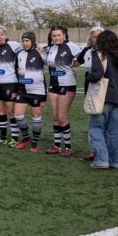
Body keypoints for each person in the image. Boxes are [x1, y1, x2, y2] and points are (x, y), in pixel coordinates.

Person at [87, 30, 118, 170]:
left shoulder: (99, 54)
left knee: (96, 128)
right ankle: (116, 161)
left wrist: (88, 76)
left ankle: (102, 160)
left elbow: (97, 75)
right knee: (114, 132)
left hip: (103, 97)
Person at [43, 26, 82, 156]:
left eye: (59, 35)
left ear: (64, 35)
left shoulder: (71, 46)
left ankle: (69, 148)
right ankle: (57, 146)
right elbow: (46, 61)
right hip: (53, 85)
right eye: (54, 36)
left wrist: (72, 66)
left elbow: (82, 58)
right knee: (55, 117)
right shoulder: (50, 48)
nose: (56, 38)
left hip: (68, 84)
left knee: (62, 117)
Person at [74, 26, 104, 162]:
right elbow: (76, 62)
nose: (95, 38)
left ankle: (103, 152)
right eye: (93, 36)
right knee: (93, 120)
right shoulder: (87, 51)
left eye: (99, 36)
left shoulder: (108, 51)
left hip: (104, 88)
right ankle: (94, 150)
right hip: (90, 87)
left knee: (103, 121)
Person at [13, 31, 47, 152]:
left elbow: (50, 63)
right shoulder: (19, 54)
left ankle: (35, 143)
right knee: (18, 115)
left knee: (36, 116)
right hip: (22, 89)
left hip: (37, 90)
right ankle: (26, 138)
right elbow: (16, 70)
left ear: (32, 41)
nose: (24, 43)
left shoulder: (40, 52)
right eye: (23, 41)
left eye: (27, 41)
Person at [0, 26, 23, 146]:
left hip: (10, 83)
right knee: (0, 110)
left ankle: (14, 138)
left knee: (11, 111)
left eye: (2, 34)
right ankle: (2, 136)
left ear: (5, 34)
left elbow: (27, 48)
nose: (0, 37)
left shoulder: (13, 45)